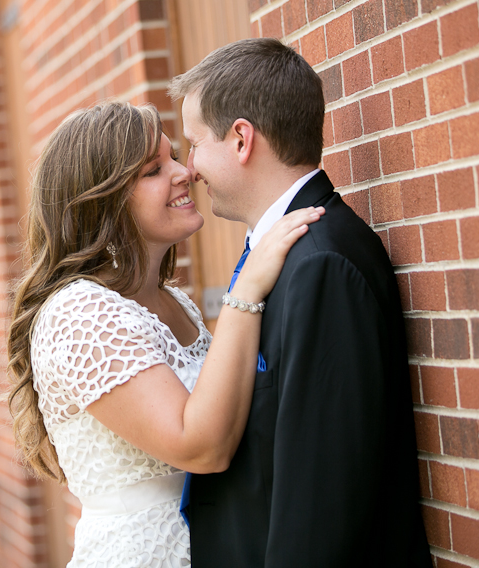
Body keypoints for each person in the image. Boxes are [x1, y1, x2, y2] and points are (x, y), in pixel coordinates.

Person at [6, 101, 324, 567]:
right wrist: (248, 287)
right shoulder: (79, 313)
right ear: (102, 201)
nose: (186, 172)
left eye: (175, 156)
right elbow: (199, 446)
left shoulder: (176, 302)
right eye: (154, 170)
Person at [168, 38, 431, 567]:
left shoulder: (321, 265)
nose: (190, 168)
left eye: (194, 144)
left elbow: (321, 502)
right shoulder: (287, 255)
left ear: (241, 139)